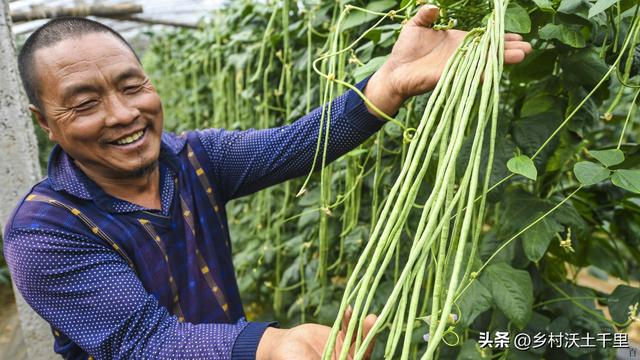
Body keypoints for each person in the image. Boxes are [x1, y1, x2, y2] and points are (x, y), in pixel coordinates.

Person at [3, 5, 531, 360]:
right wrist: (271, 345)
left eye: (131, 86)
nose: (123, 114)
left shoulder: (193, 159)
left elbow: (294, 144)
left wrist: (388, 84)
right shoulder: (42, 232)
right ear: (44, 121)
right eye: (86, 103)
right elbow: (144, 340)